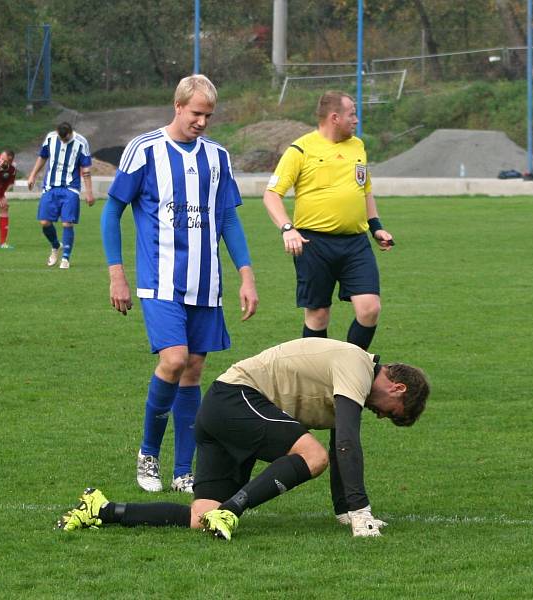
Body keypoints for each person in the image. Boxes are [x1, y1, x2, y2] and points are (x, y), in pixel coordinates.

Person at [56, 338, 430, 540]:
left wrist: (345, 512)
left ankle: (101, 510)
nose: (379, 414)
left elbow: (340, 440)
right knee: (311, 455)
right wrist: (362, 511)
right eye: (389, 412)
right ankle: (232, 511)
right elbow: (346, 442)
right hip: (237, 398)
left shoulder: (351, 383)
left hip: (223, 410)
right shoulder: (357, 365)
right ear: (396, 388)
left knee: (198, 518)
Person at [101, 74, 259, 495]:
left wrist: (246, 274)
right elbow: (111, 211)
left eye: (209, 115)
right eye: (196, 113)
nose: (203, 122)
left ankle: (183, 470)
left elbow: (227, 218)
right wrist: (117, 273)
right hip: (160, 280)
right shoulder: (144, 150)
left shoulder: (217, 158)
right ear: (177, 106)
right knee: (173, 360)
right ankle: (148, 453)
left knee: (193, 370)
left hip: (206, 283)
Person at [262, 91, 394, 351]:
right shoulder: (300, 149)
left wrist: (376, 227)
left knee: (369, 309)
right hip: (314, 244)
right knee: (318, 315)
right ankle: (316, 380)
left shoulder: (357, 146)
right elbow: (271, 195)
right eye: (351, 114)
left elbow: (364, 190)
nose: (356, 120)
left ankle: (350, 370)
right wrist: (287, 228)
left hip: (355, 244)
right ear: (335, 117)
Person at [27, 122, 95, 269]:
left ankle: (65, 258)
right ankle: (56, 246)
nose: (62, 141)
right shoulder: (51, 138)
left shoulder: (81, 142)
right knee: (44, 222)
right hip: (50, 187)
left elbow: (86, 169)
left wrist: (89, 192)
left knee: (67, 223)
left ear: (70, 133)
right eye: (60, 138)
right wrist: (32, 175)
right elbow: (42, 157)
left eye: (65, 138)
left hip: (71, 188)